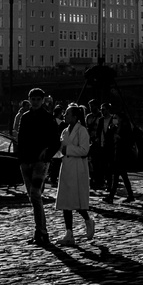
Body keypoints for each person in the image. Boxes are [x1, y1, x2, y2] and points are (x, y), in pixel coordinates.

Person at [14, 88, 60, 245]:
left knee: (35, 194)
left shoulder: (48, 118)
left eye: (38, 99)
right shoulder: (25, 118)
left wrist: (46, 156)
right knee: (34, 197)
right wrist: (20, 159)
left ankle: (41, 231)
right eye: (32, 99)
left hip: (40, 162)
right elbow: (20, 139)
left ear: (42, 100)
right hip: (26, 161)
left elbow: (55, 142)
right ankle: (41, 231)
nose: (35, 102)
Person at [55, 104, 95, 246]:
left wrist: (68, 149)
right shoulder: (65, 131)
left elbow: (84, 150)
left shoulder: (82, 131)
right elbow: (60, 149)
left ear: (75, 116)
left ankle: (88, 220)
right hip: (66, 167)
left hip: (78, 169)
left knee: (76, 201)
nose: (65, 116)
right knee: (66, 201)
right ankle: (69, 233)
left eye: (67, 114)